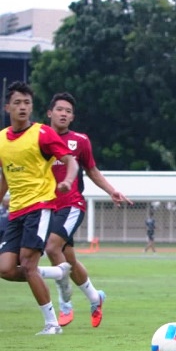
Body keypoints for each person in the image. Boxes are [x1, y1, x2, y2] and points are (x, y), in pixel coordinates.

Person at [44, 92, 133, 328]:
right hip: (47, 207)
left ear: (72, 117)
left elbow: (92, 170)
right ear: (49, 113)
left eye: (69, 111)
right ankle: (95, 298)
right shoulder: (39, 139)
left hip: (72, 205)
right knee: (69, 260)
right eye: (60, 109)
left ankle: (65, 305)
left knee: (52, 247)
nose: (64, 113)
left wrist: (111, 190)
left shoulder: (80, 141)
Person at [0, 81, 79, 335]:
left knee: (27, 262)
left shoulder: (42, 133)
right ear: (7, 107)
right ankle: (57, 272)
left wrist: (67, 180)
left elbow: (70, 160)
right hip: (16, 211)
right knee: (6, 269)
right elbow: (5, 175)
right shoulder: (1, 139)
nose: (23, 107)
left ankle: (52, 324)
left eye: (27, 103)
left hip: (40, 206)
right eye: (18, 103)